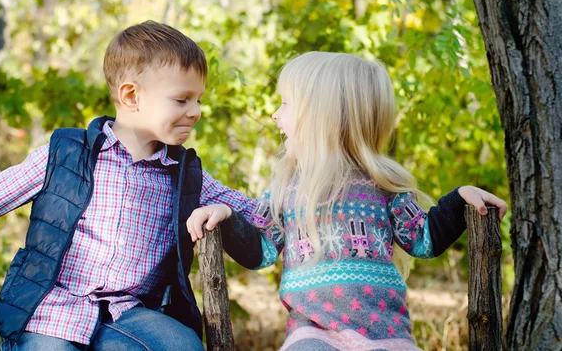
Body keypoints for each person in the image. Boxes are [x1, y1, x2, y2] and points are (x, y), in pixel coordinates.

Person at [0, 20, 263, 350]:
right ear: (131, 95)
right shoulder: (66, 154)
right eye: (182, 100)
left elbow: (261, 214)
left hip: (129, 313)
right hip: (54, 307)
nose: (196, 112)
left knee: (184, 346)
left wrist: (297, 201)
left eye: (198, 100)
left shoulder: (184, 175)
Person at [187, 52, 508, 351]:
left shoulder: (384, 184)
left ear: (322, 115)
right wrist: (228, 218)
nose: (275, 115)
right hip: (312, 332)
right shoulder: (287, 186)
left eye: (285, 104)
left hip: (385, 333)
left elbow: (424, 240)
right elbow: (261, 251)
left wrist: (458, 199)